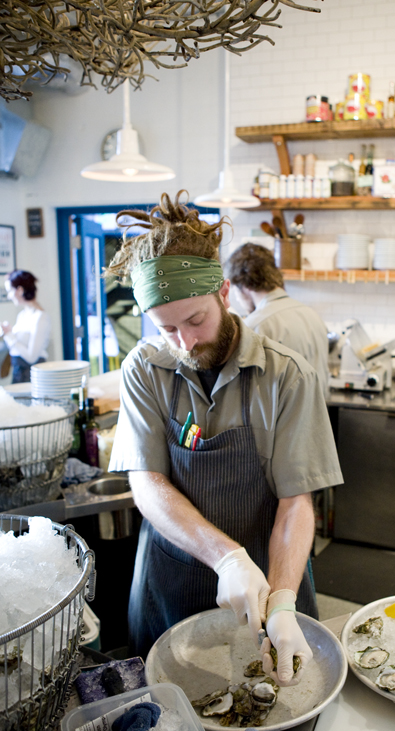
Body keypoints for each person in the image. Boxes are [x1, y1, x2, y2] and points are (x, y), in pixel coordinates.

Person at [107, 192, 343, 686]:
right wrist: (226, 558)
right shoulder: (144, 370)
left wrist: (281, 600)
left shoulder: (286, 375)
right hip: (172, 582)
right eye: (166, 328)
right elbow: (146, 483)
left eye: (195, 320)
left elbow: (296, 502)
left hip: (269, 579)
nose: (184, 343)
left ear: (224, 293)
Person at [226, 243, 330, 398]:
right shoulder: (312, 315)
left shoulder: (254, 326)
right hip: (319, 417)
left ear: (244, 284)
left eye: (234, 290)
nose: (237, 299)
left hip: (284, 421)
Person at [1, 270, 51, 384]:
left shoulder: (40, 317)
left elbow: (32, 357)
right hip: (18, 372)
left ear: (20, 290)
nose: (9, 296)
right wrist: (7, 334)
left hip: (32, 376)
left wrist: (10, 335)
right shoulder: (22, 315)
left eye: (10, 291)